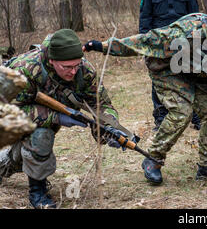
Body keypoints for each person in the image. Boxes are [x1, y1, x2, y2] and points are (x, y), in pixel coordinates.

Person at [83, 11, 207, 185]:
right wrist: (102, 46)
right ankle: (153, 159)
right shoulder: (184, 33)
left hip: (199, 73)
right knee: (181, 112)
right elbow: (142, 42)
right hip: (168, 69)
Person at [0, 29, 137, 209]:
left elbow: (101, 104)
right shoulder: (25, 70)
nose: (73, 71)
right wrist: (56, 117)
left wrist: (109, 127)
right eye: (67, 67)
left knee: (20, 157)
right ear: (52, 61)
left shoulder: (84, 71)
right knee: (41, 136)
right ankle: (38, 192)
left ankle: (6, 163)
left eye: (76, 65)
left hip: (39, 117)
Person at [139, 0, 201, 131]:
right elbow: (145, 20)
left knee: (190, 78)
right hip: (159, 46)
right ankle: (160, 117)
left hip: (184, 44)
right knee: (158, 81)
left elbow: (196, 18)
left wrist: (196, 43)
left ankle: (196, 116)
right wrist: (145, 44)